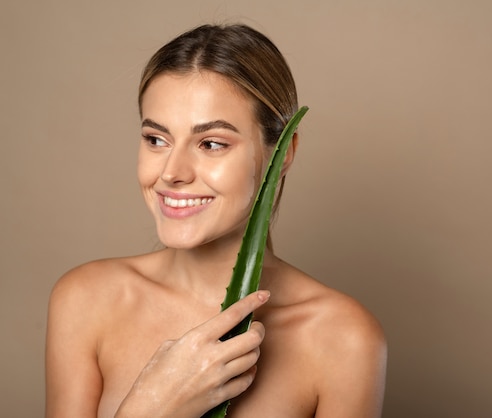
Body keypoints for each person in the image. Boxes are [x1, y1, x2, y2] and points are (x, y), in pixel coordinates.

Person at [45, 23, 387, 418]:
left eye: (211, 144)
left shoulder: (343, 338)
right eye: (157, 139)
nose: (172, 172)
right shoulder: (87, 301)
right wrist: (154, 405)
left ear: (284, 152)